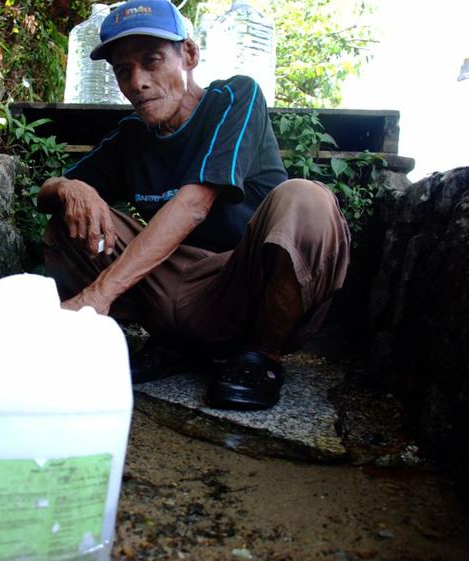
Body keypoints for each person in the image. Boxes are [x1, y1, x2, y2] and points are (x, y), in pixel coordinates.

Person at [39, 0, 350, 410]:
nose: (138, 82)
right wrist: (69, 187)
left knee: (307, 200)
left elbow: (195, 205)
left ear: (188, 54)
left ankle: (261, 356)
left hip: (240, 281)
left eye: (152, 61)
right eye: (123, 70)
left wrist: (97, 295)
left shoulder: (234, 97)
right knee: (66, 222)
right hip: (174, 285)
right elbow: (46, 194)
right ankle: (179, 344)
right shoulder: (132, 136)